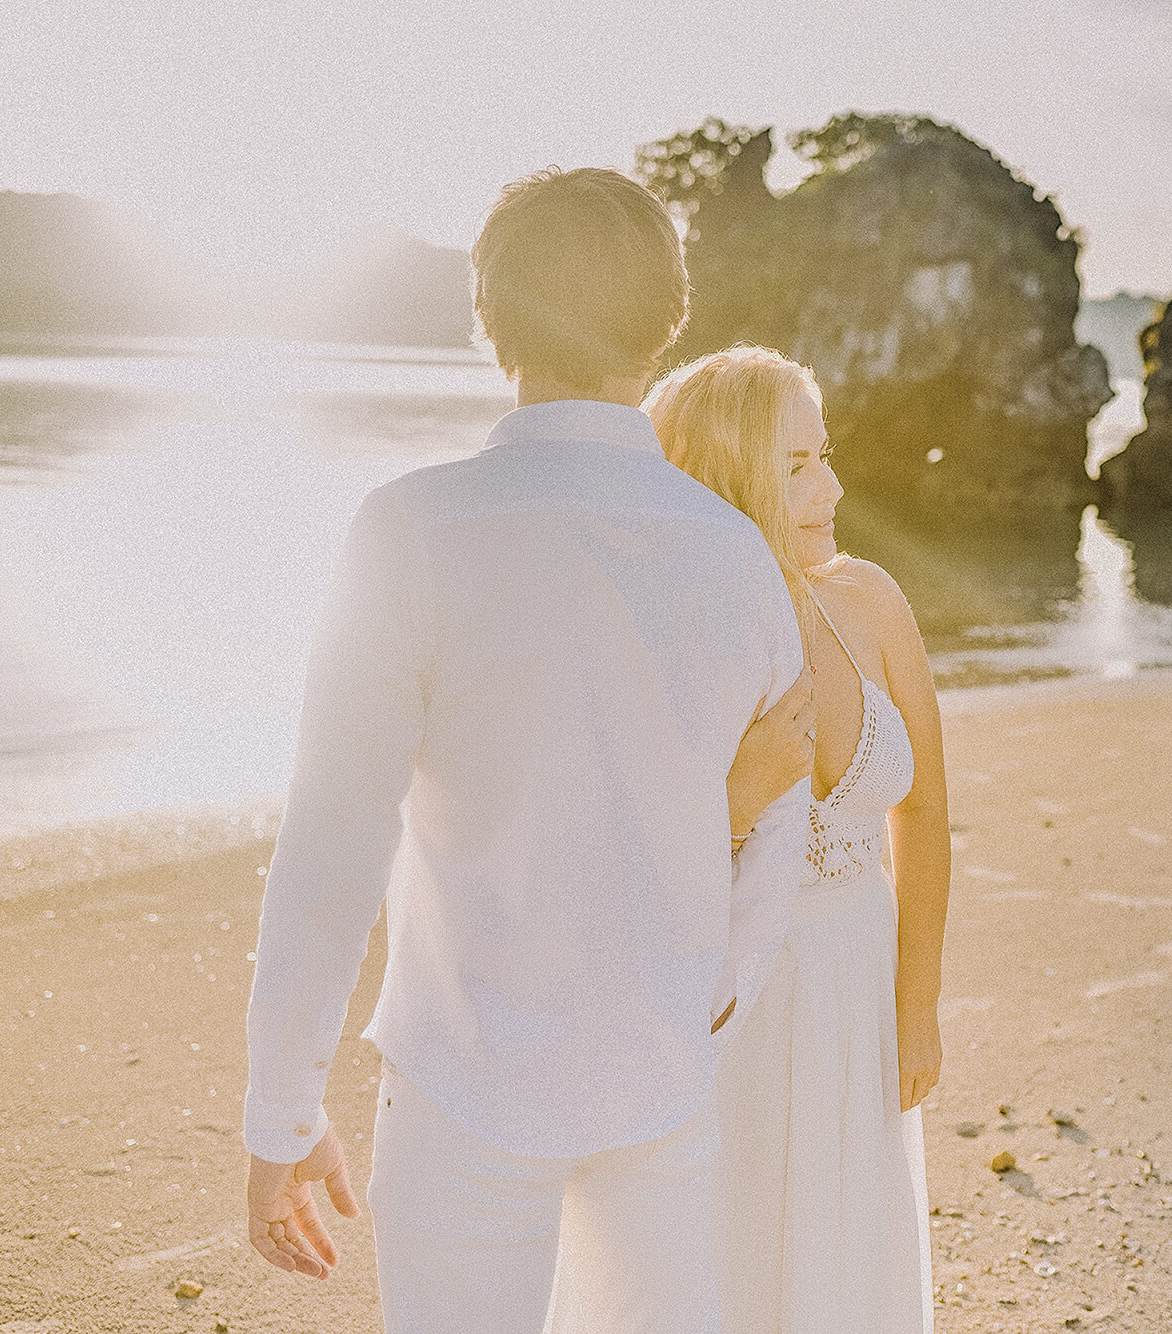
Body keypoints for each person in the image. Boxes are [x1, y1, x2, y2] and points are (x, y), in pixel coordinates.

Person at [240, 169, 816, 1334]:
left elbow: (332, 848)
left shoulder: (411, 530)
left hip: (462, 1080)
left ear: (486, 319)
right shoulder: (736, 556)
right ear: (668, 320)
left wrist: (281, 1114)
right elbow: (775, 831)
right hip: (659, 1077)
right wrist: (696, 1005)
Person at [592, 345, 953, 1333]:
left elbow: (921, 808)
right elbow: (620, 870)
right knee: (727, 1267)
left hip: (857, 987)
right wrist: (736, 797)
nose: (830, 484)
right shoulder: (669, 629)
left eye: (823, 453)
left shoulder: (870, 603)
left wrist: (915, 1001)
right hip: (725, 1007)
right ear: (725, 471)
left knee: (848, 1263)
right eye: (794, 464)